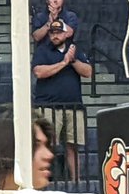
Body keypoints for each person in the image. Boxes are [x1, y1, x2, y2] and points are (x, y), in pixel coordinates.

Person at [32, 20, 92, 180]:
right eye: (52, 32)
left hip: (74, 106)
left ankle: (76, 181)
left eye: (59, 32)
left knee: (73, 146)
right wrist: (63, 62)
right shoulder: (42, 50)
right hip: (48, 106)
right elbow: (38, 72)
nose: (55, 35)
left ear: (66, 33)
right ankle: (46, 180)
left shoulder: (75, 50)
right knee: (48, 144)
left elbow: (88, 72)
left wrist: (72, 60)